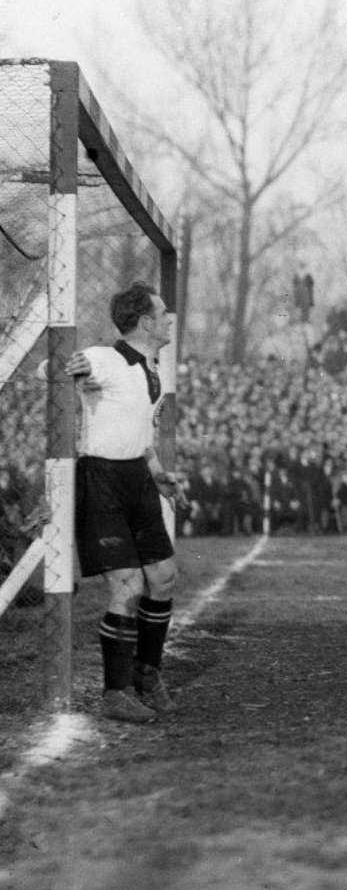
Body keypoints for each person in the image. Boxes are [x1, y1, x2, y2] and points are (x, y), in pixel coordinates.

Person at [64, 281, 189, 724]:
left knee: (164, 576)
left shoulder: (152, 369)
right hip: (101, 480)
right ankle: (114, 692)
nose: (167, 320)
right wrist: (62, 367)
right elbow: (59, 367)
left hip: (138, 477)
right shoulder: (105, 358)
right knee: (128, 585)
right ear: (144, 322)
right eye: (162, 313)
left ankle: (147, 675)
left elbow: (143, 432)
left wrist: (157, 474)